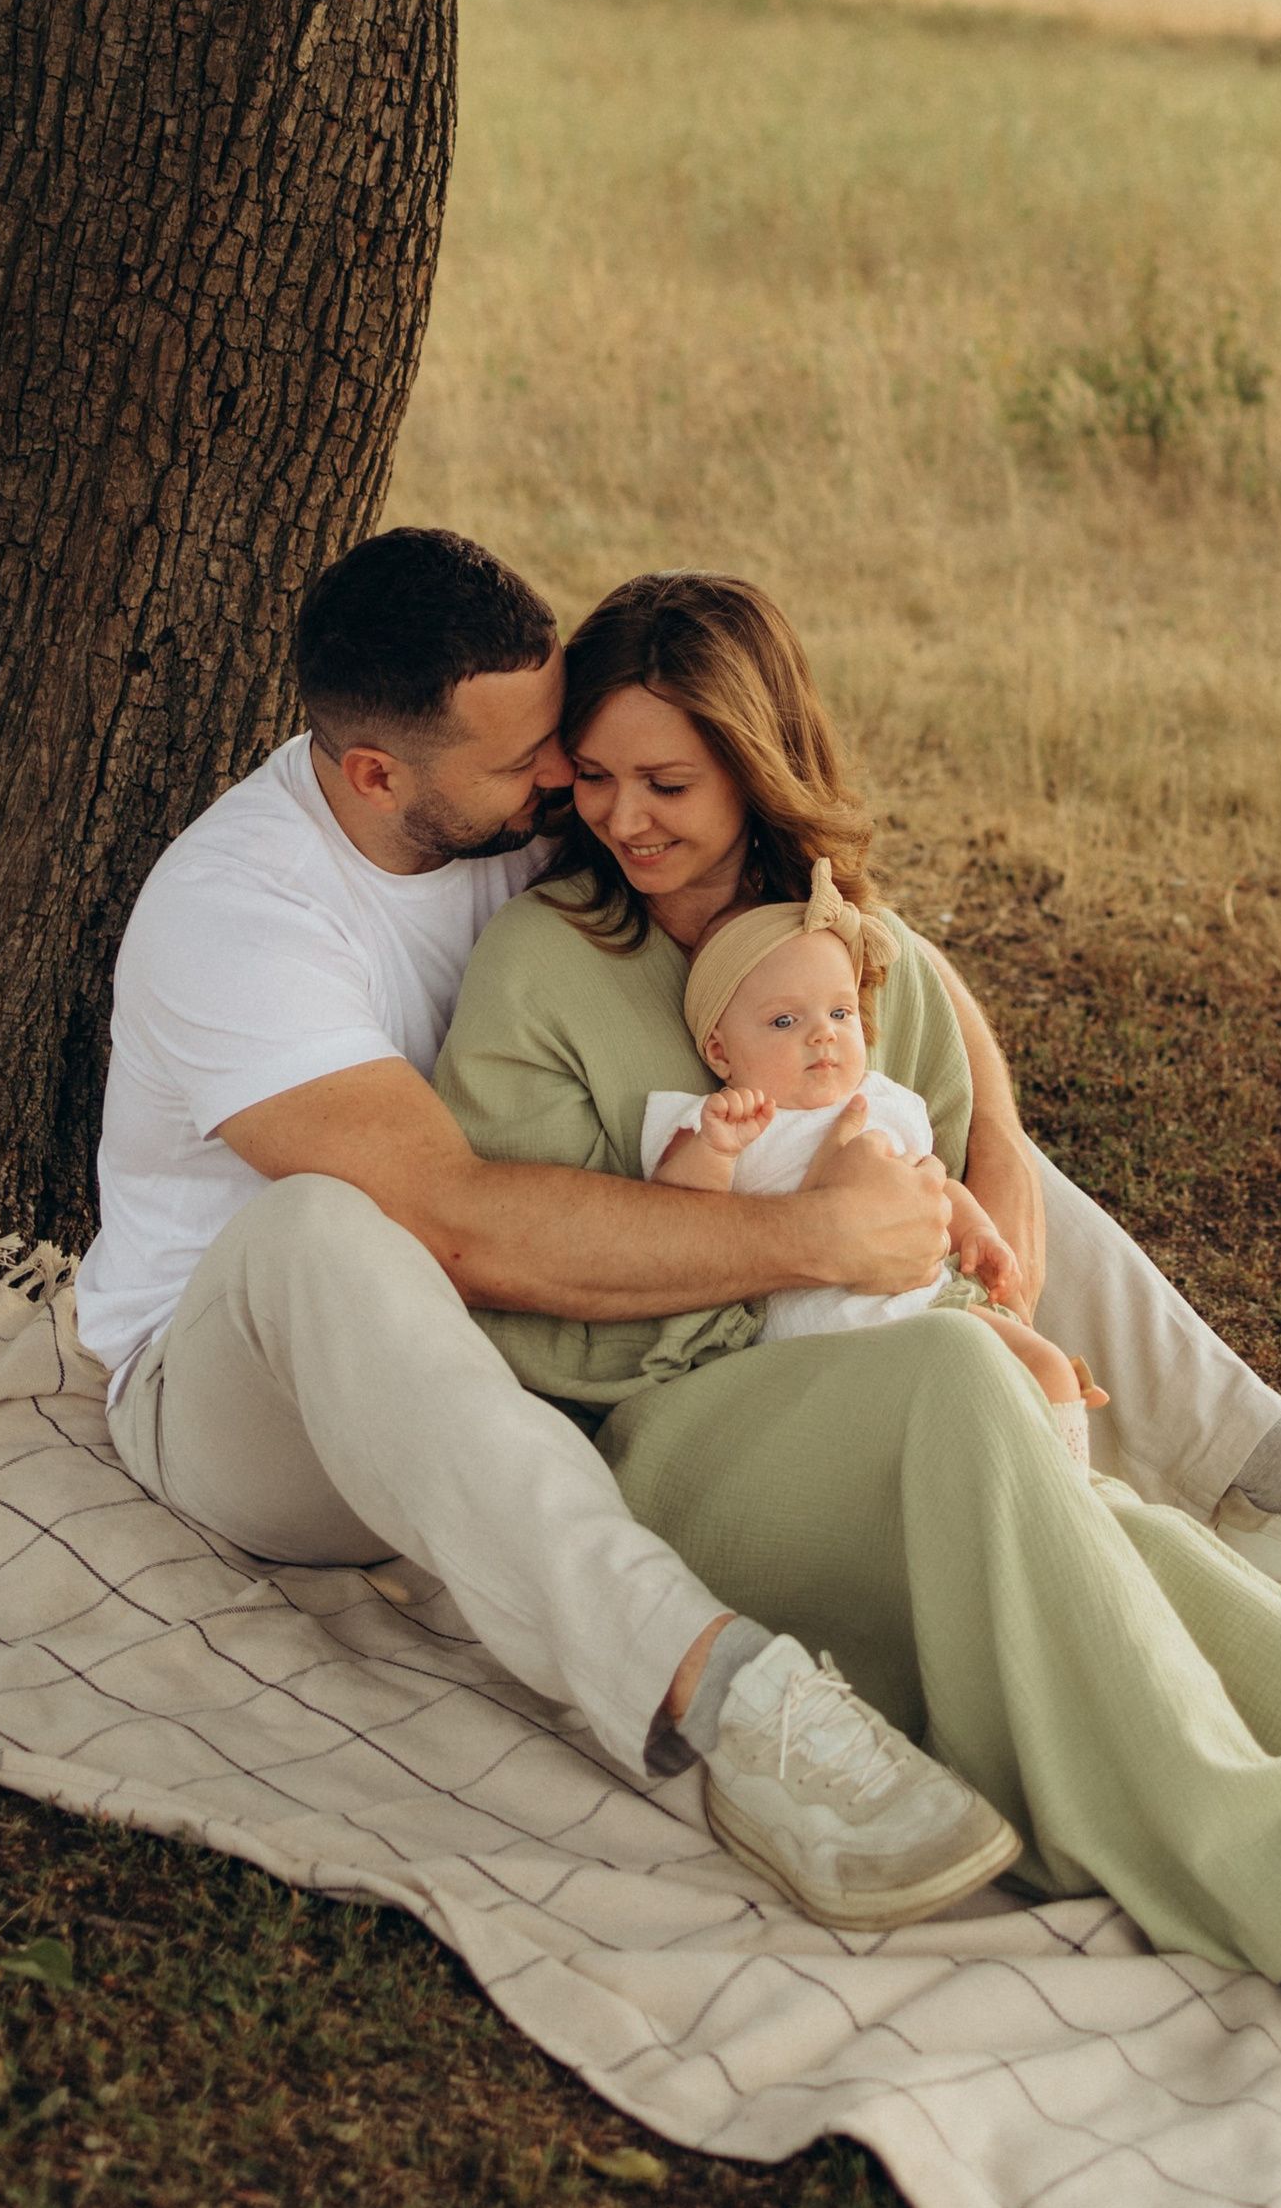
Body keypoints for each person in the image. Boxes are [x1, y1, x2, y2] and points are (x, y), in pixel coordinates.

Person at [435, 570, 1281, 2004]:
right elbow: (534, 1289)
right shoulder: (543, 962)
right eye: (593, 777)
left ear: (761, 766)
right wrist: (835, 1281)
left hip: (902, 1414)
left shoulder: (871, 966)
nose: (623, 817)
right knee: (981, 1409)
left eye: (667, 780)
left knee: (1122, 1538)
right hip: (675, 1450)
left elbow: (952, 1220)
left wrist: (991, 1332)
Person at [74, 529, 1023, 1934]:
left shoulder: (537, 809)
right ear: (379, 776)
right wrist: (819, 1243)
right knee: (322, 1230)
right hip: (253, 1405)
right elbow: (453, 1229)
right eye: (533, 766)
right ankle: (726, 1697)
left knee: (846, 1107)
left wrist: (985, 1151)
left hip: (517, 1359)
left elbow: (856, 951)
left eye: (564, 746)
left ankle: (1263, 1463)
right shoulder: (236, 914)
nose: (571, 788)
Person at [653, 868, 1107, 1470]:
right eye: (785, 1022)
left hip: (929, 1304)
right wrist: (714, 1149)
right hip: (821, 1345)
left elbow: (933, 1181)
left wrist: (978, 1233)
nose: (823, 1037)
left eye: (840, 1014)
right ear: (720, 1051)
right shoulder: (729, 1120)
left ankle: (1067, 1491)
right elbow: (677, 1218)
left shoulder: (884, 1102)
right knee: (933, 1429)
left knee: (1047, 1367)